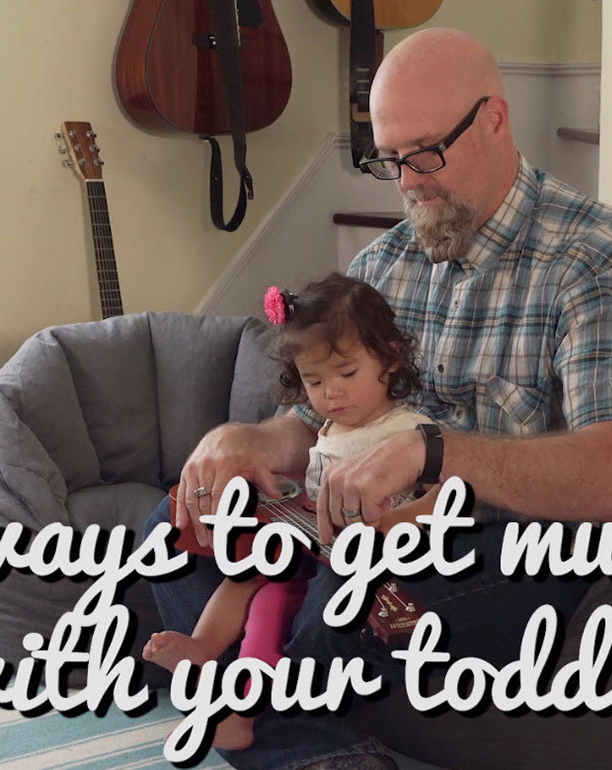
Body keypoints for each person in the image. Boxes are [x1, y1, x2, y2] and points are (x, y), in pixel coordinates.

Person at [144, 27, 612, 770]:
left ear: (495, 118)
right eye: (390, 159)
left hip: (524, 556)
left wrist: (439, 453)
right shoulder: (386, 262)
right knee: (176, 527)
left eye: (425, 153)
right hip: (375, 536)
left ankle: (268, 721)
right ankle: (315, 740)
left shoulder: (597, 259)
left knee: (340, 590)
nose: (409, 181)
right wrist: (250, 443)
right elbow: (314, 419)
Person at [143, 273, 436, 751]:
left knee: (274, 608)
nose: (332, 394)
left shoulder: (406, 429)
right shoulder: (328, 426)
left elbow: (442, 498)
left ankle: (241, 711)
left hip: (361, 566)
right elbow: (311, 476)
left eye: (346, 374)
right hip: (310, 542)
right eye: (314, 381)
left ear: (390, 357)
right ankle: (201, 650)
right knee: (244, 577)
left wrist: (390, 524)